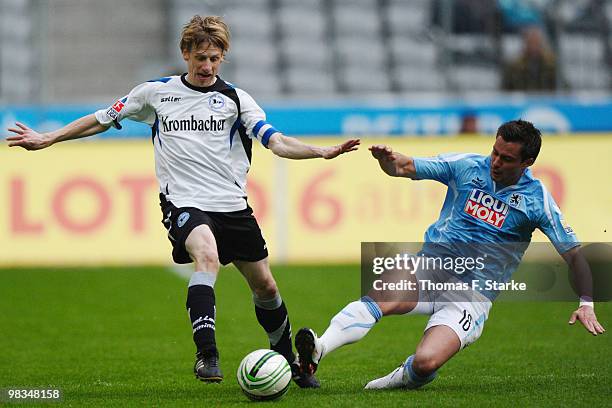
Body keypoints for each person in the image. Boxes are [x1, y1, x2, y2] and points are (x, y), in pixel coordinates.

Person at [6, 15, 360, 387]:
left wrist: (321, 152)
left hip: (233, 206)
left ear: (223, 57)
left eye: (214, 58)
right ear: (185, 54)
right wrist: (48, 138)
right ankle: (207, 355)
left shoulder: (236, 100)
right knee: (206, 257)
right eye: (200, 57)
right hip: (184, 203)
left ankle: (290, 361)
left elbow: (277, 141)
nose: (207, 66)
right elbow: (100, 120)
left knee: (266, 287)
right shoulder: (154, 93)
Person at [295, 119, 605, 390]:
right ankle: (320, 348)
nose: (495, 162)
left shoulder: (537, 201)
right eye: (495, 152)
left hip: (472, 295)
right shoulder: (467, 165)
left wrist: (586, 302)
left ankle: (406, 375)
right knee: (380, 297)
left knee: (426, 363)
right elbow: (405, 166)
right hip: (431, 267)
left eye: (506, 159)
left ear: (527, 162)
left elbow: (575, 255)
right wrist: (388, 161)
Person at [501, 26, 560, 91]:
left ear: (542, 44)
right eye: (531, 42)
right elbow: (504, 92)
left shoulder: (552, 66)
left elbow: (565, 90)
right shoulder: (514, 67)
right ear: (525, 44)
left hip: (546, 100)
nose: (534, 46)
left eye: (536, 43)